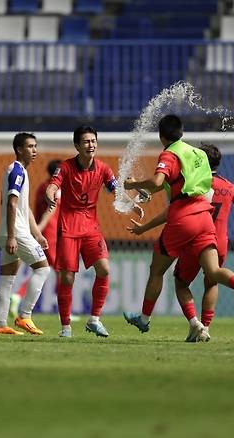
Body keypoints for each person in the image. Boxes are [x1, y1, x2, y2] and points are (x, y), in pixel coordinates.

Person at [123, 115, 234, 342]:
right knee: (213, 272)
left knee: (157, 270)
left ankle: (144, 319)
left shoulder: (169, 153)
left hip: (182, 218)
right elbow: (183, 186)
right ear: (182, 131)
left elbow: (158, 182)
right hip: (205, 217)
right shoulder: (198, 154)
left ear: (161, 135)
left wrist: (134, 184)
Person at [45, 126, 143, 338]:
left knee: (104, 269)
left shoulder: (103, 169)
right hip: (68, 228)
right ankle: (66, 328)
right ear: (77, 146)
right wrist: (50, 194)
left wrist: (132, 203)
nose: (91, 145)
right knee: (67, 279)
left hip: (91, 228)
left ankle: (94, 320)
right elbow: (52, 186)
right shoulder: (65, 168)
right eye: (86, 142)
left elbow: (116, 191)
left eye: (93, 141)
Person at [0, 133, 51, 335]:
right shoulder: (17, 171)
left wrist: (37, 234)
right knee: (43, 269)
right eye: (30, 146)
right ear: (19, 149)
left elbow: (23, 209)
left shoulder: (18, 171)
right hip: (15, 232)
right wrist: (11, 236)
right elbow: (11, 203)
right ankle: (25, 315)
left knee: (7, 277)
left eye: (35, 146)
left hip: (11, 230)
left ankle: (1, 324)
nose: (34, 150)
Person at [9, 159, 62, 317]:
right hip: (49, 233)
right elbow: (52, 209)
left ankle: (17, 296)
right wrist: (41, 227)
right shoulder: (56, 189)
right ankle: (63, 310)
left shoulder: (41, 187)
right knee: (59, 270)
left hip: (38, 232)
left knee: (41, 268)